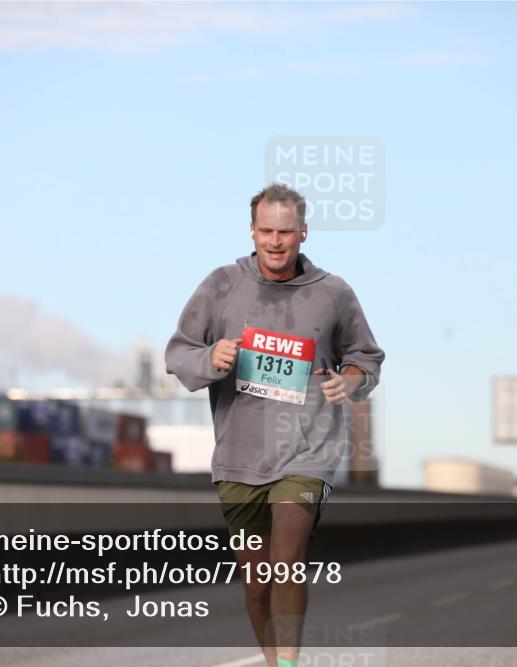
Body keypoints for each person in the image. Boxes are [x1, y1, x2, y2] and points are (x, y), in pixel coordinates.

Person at [165, 183, 385, 667]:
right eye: (266, 230)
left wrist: (349, 383)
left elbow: (366, 359)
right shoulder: (222, 285)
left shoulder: (334, 293)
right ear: (252, 230)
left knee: (287, 561)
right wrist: (210, 356)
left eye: (286, 231)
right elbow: (178, 354)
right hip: (239, 457)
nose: (275, 241)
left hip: (309, 450)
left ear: (303, 232)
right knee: (258, 583)